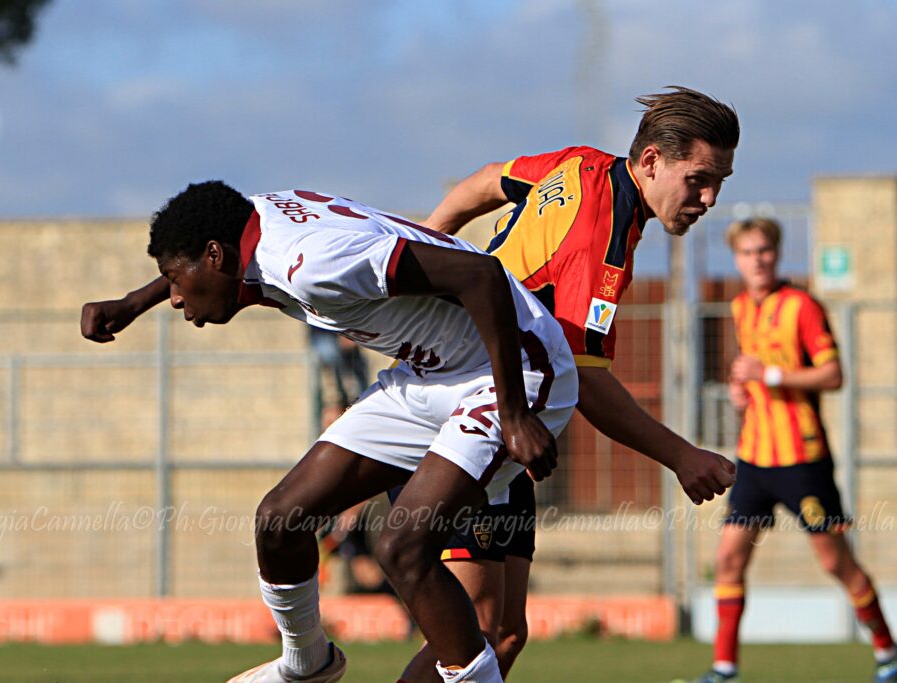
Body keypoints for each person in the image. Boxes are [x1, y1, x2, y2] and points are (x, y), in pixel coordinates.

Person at [81, 181, 585, 683]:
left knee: (402, 547)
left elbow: (480, 273)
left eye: (173, 279)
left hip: (514, 369)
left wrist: (516, 412)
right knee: (281, 518)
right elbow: (200, 241)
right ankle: (307, 665)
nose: (172, 295)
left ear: (214, 256)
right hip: (429, 371)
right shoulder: (243, 227)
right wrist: (131, 302)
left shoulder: (313, 262)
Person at [397, 86, 742, 682]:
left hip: (504, 421)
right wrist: (682, 456)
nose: (709, 197)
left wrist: (432, 238)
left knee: (503, 633)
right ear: (653, 161)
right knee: (474, 627)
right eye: (699, 179)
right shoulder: (601, 235)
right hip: (463, 410)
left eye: (720, 182)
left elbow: (486, 181)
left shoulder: (582, 164)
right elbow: (586, 378)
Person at [688, 218, 897, 683]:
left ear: (777, 254)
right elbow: (752, 375)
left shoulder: (801, 306)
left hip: (803, 461)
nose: (757, 259)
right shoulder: (741, 307)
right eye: (747, 253)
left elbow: (833, 374)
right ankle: (724, 668)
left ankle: (887, 652)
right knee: (728, 559)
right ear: (737, 259)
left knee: (834, 562)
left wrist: (773, 377)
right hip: (755, 460)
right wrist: (743, 392)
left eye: (764, 250)